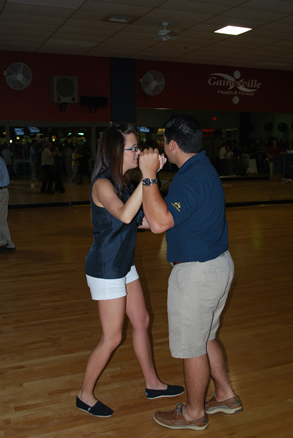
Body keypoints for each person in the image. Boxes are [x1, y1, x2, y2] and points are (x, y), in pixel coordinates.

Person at [138, 114, 242, 432]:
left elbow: (160, 223)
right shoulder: (200, 170)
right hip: (215, 266)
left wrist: (147, 175)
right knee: (206, 337)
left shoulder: (191, 177)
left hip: (198, 274)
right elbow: (166, 214)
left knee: (192, 347)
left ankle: (194, 413)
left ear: (172, 145)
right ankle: (224, 394)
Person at [76, 123, 183, 418]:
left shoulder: (123, 182)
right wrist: (148, 177)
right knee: (112, 338)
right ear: (115, 151)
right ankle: (84, 395)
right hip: (106, 268)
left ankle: (152, 384)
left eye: (138, 147)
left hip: (124, 264)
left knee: (142, 320)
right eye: (132, 148)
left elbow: (140, 221)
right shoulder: (103, 184)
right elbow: (124, 215)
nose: (138, 152)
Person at [0, 156, 16, 252]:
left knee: (1, 219)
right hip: (3, 191)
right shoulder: (0, 159)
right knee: (1, 219)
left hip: (0, 192)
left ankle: (5, 242)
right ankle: (6, 243)